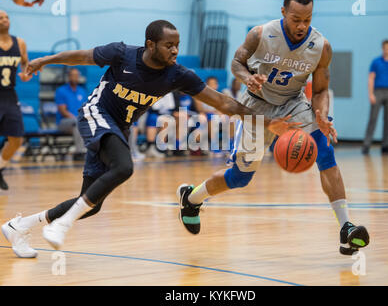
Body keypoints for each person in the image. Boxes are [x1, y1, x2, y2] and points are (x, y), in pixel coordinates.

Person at [1, 20, 294, 258]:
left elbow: (224, 104)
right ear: (150, 44)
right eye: (169, 45)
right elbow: (80, 56)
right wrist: (44, 61)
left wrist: (265, 121)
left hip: (119, 127)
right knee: (124, 167)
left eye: (177, 45)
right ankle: (62, 225)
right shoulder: (121, 53)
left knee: (92, 204)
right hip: (96, 113)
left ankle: (20, 226)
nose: (175, 50)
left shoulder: (177, 74)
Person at [177, 0, 370, 256]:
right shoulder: (261, 34)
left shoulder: (321, 47)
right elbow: (236, 63)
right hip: (256, 106)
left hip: (293, 103)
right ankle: (192, 198)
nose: (302, 25)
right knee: (239, 178)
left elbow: (322, 89)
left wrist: (321, 114)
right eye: (296, 19)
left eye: (307, 19)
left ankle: (346, 228)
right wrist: (247, 78)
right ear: (283, 13)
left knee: (325, 152)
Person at [0, 10, 32, 190]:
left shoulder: (19, 43)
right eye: (0, 18)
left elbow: (25, 65)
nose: (5, 20)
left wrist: (26, 75)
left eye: (7, 17)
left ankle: (0, 168)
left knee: (16, 139)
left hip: (10, 95)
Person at [362, 39, 388, 155]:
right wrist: (371, 94)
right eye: (385, 48)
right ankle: (366, 145)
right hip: (378, 92)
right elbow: (371, 78)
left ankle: (385, 146)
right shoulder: (376, 62)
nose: (387, 50)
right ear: (382, 49)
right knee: (373, 118)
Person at [55, 68, 88, 161]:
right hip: (64, 122)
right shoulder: (61, 91)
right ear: (69, 77)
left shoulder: (82, 91)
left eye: (77, 75)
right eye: (73, 75)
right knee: (77, 122)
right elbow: (63, 111)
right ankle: (79, 152)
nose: (75, 77)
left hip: (78, 122)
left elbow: (85, 108)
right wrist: (78, 118)